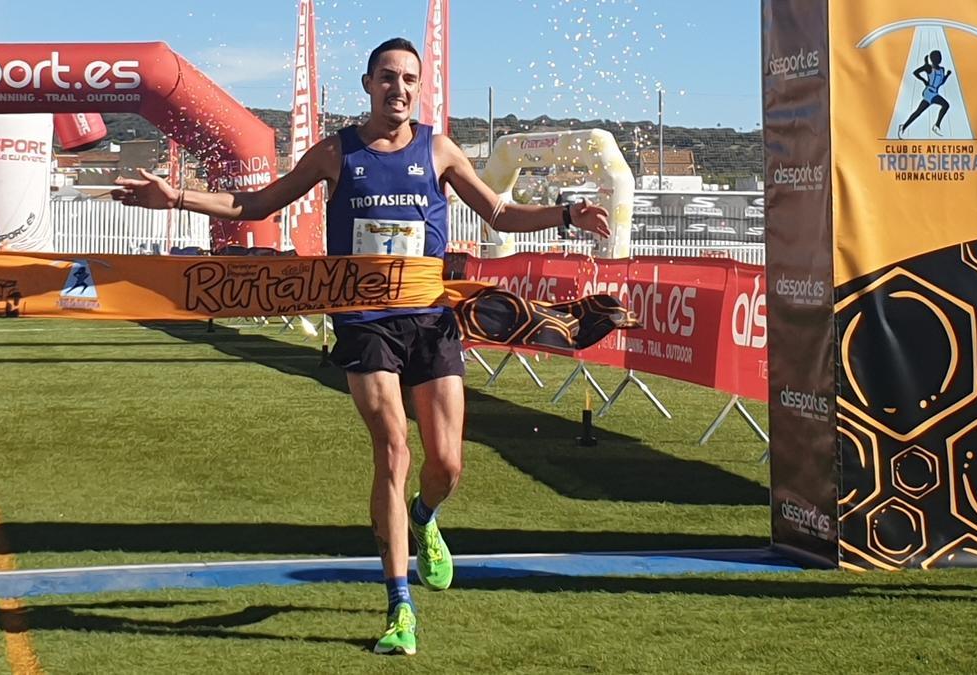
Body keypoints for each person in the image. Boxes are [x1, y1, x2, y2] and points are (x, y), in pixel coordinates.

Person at [112, 37, 611, 656]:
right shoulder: (336, 152)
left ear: (416, 89)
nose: (398, 89)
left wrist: (564, 216)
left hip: (429, 320)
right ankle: (399, 606)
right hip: (364, 320)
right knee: (394, 449)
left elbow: (499, 216)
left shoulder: (439, 149)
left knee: (447, 465)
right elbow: (256, 201)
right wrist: (177, 197)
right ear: (368, 85)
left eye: (409, 79)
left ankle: (425, 519)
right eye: (387, 78)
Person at [899, 50, 953, 138]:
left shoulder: (942, 69)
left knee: (918, 112)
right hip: (929, 92)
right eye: (935, 58)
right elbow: (915, 72)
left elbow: (941, 82)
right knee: (945, 105)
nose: (938, 59)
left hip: (935, 92)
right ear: (932, 59)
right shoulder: (929, 68)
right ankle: (936, 126)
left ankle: (903, 126)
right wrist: (924, 80)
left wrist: (947, 75)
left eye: (939, 57)